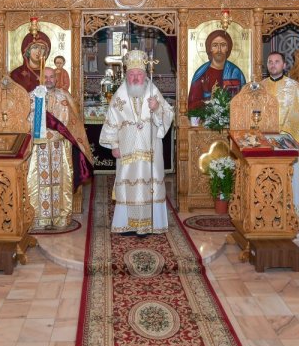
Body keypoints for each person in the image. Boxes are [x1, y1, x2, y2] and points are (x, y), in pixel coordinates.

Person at [100, 50, 174, 233]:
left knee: (151, 184)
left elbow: (168, 114)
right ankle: (127, 225)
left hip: (151, 150)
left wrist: (157, 108)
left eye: (139, 74)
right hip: (127, 150)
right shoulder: (119, 95)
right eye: (131, 74)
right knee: (128, 184)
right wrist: (114, 145)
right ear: (126, 75)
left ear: (144, 75)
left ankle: (151, 224)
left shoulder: (153, 92)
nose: (135, 78)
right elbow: (111, 121)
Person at [28, 67, 95, 229]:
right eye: (45, 77)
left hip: (60, 146)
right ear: (40, 78)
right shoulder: (32, 96)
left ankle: (61, 217)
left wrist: (58, 129)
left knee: (61, 182)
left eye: (51, 77)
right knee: (38, 181)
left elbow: (73, 122)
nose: (48, 80)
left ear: (56, 79)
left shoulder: (64, 96)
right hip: (38, 148)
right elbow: (25, 120)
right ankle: (38, 218)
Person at [262, 52, 299, 218]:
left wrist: (295, 137)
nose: (273, 64)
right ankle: (266, 212)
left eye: (277, 61)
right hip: (264, 140)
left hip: (287, 141)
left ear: (284, 65)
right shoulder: (260, 86)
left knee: (287, 178)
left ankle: (291, 213)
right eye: (270, 62)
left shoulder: (294, 87)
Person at [187, 28, 246, 111]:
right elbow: (192, 105)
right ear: (210, 48)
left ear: (228, 48)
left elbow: (244, 101)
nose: (219, 50)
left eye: (223, 45)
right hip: (205, 118)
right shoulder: (201, 74)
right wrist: (208, 103)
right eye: (215, 45)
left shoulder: (235, 72)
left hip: (233, 117)